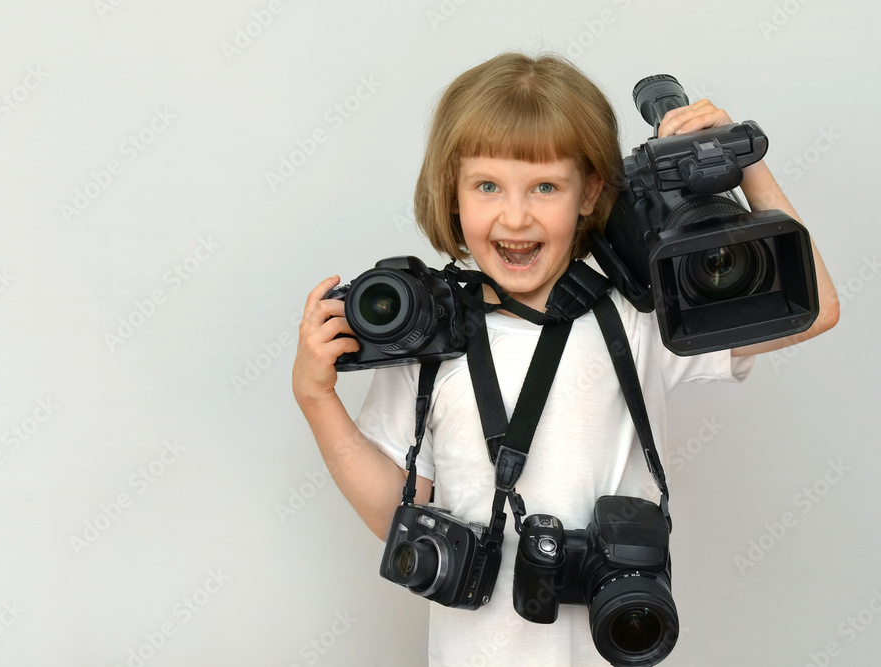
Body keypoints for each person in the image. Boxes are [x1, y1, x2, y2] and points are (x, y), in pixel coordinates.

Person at [292, 52, 839, 666]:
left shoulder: (639, 319)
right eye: (487, 186)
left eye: (546, 186)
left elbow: (813, 309)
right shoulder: (428, 343)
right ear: (452, 193)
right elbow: (396, 513)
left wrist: (743, 164)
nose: (516, 215)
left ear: (591, 193)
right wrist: (317, 401)